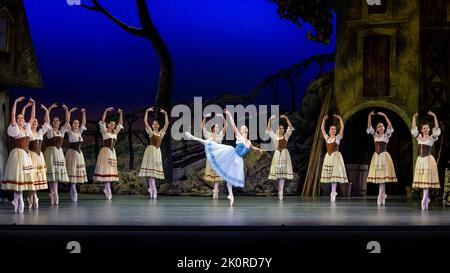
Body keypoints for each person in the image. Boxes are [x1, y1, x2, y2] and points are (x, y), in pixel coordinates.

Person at [184, 109, 262, 206]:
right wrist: (229, 115)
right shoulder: (239, 136)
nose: (244, 128)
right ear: (241, 130)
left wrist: (259, 150)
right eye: (242, 128)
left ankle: (229, 195)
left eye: (245, 128)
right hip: (231, 154)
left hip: (238, 160)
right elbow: (232, 125)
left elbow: (253, 147)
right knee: (209, 143)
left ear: (247, 130)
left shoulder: (249, 141)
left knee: (230, 176)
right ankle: (194, 138)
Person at [1, 97, 35, 213]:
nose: (20, 119)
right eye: (18, 118)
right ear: (16, 120)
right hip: (17, 155)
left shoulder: (26, 129)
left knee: (22, 179)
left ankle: (18, 200)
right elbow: (13, 113)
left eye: (22, 118)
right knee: (17, 178)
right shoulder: (15, 129)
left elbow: (32, 118)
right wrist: (15, 102)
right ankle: (18, 200)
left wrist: (33, 105)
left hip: (25, 155)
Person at [366, 111, 397, 206]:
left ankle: (380, 195)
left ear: (384, 128)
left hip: (384, 157)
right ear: (377, 128)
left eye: (382, 126)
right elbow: (369, 127)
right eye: (379, 126)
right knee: (379, 177)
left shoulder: (386, 135)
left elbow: (390, 127)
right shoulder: (375, 135)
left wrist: (384, 115)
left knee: (383, 178)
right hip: (376, 157)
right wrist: (369, 116)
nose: (380, 128)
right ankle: (382, 195)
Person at [26, 102, 53, 209]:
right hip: (31, 155)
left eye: (36, 122)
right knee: (31, 177)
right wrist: (33, 106)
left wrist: (47, 111)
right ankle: (33, 196)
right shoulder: (28, 131)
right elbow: (32, 117)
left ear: (38, 124)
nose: (34, 123)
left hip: (39, 156)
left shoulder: (41, 132)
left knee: (36, 178)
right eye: (33, 121)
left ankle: (32, 196)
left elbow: (47, 122)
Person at [411, 111, 440, 210]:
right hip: (420, 160)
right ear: (422, 130)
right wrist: (414, 118)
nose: (426, 130)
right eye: (424, 128)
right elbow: (413, 129)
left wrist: (434, 116)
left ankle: (424, 198)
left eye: (427, 128)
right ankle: (426, 198)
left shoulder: (432, 138)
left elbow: (436, 129)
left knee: (426, 180)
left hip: (428, 160)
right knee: (423, 180)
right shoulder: (419, 137)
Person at [138, 107, 169, 199]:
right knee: (150, 171)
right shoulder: (151, 133)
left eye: (156, 124)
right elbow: (145, 121)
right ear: (152, 126)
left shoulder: (161, 134)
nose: (155, 125)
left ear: (158, 126)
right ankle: (153, 189)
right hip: (151, 151)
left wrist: (165, 113)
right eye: (154, 124)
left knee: (153, 172)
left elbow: (167, 123)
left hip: (157, 152)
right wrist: (146, 111)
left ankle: (152, 188)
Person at [93, 107, 123, 200]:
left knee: (110, 170)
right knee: (106, 170)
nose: (112, 125)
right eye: (111, 124)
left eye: (114, 124)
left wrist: (121, 113)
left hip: (112, 152)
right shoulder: (104, 131)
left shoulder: (115, 133)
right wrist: (105, 111)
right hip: (105, 152)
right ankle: (107, 188)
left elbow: (121, 124)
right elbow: (102, 121)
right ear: (108, 125)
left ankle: (107, 188)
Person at [44, 103, 70, 205]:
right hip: (50, 153)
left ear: (59, 123)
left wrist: (66, 110)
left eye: (57, 121)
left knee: (56, 174)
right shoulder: (50, 131)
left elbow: (67, 122)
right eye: (54, 121)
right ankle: (54, 193)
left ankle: (54, 193)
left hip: (59, 154)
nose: (55, 122)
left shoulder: (61, 132)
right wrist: (49, 109)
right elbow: (46, 121)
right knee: (52, 174)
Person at [319, 114, 349, 203]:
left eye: (334, 129)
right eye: (332, 129)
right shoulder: (327, 138)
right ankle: (333, 191)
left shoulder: (337, 138)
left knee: (334, 175)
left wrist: (340, 119)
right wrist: (323, 120)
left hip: (335, 157)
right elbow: (322, 129)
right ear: (329, 131)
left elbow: (342, 128)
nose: (333, 130)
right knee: (330, 175)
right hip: (328, 157)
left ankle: (333, 192)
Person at [266, 114, 294, 201]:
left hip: (285, 155)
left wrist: (286, 118)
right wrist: (270, 119)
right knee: (278, 173)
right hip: (278, 154)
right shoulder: (275, 137)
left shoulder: (286, 136)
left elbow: (290, 127)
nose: (281, 129)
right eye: (280, 128)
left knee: (282, 175)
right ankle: (279, 189)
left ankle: (281, 191)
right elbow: (269, 129)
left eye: (282, 128)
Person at [201, 113, 227, 200]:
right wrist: (205, 117)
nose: (217, 128)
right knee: (213, 174)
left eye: (217, 127)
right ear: (212, 129)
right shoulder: (208, 135)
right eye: (215, 127)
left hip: (218, 157)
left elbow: (226, 126)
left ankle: (215, 190)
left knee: (218, 175)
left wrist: (223, 117)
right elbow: (202, 127)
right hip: (211, 157)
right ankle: (215, 189)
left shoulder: (220, 135)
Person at [64, 107, 88, 202]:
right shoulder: (70, 131)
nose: (76, 124)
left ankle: (72, 189)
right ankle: (73, 189)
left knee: (77, 171)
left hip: (79, 154)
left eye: (77, 123)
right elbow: (67, 121)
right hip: (72, 153)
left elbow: (84, 123)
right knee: (73, 171)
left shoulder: (79, 132)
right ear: (72, 124)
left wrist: (84, 112)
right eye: (75, 123)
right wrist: (68, 112)